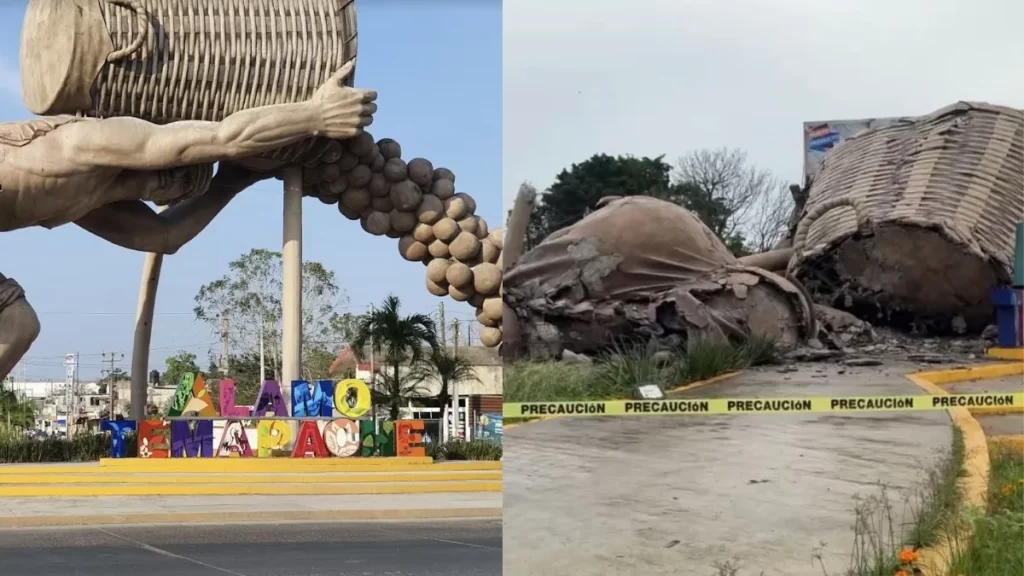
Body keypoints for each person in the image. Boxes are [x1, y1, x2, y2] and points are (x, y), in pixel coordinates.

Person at [0, 62, 377, 381]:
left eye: (180, 188)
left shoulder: (91, 203)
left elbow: (164, 237)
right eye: (176, 172)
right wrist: (315, 114)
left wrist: (228, 184)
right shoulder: (85, 143)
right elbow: (222, 137)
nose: (169, 182)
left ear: (163, 200)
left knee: (19, 325)